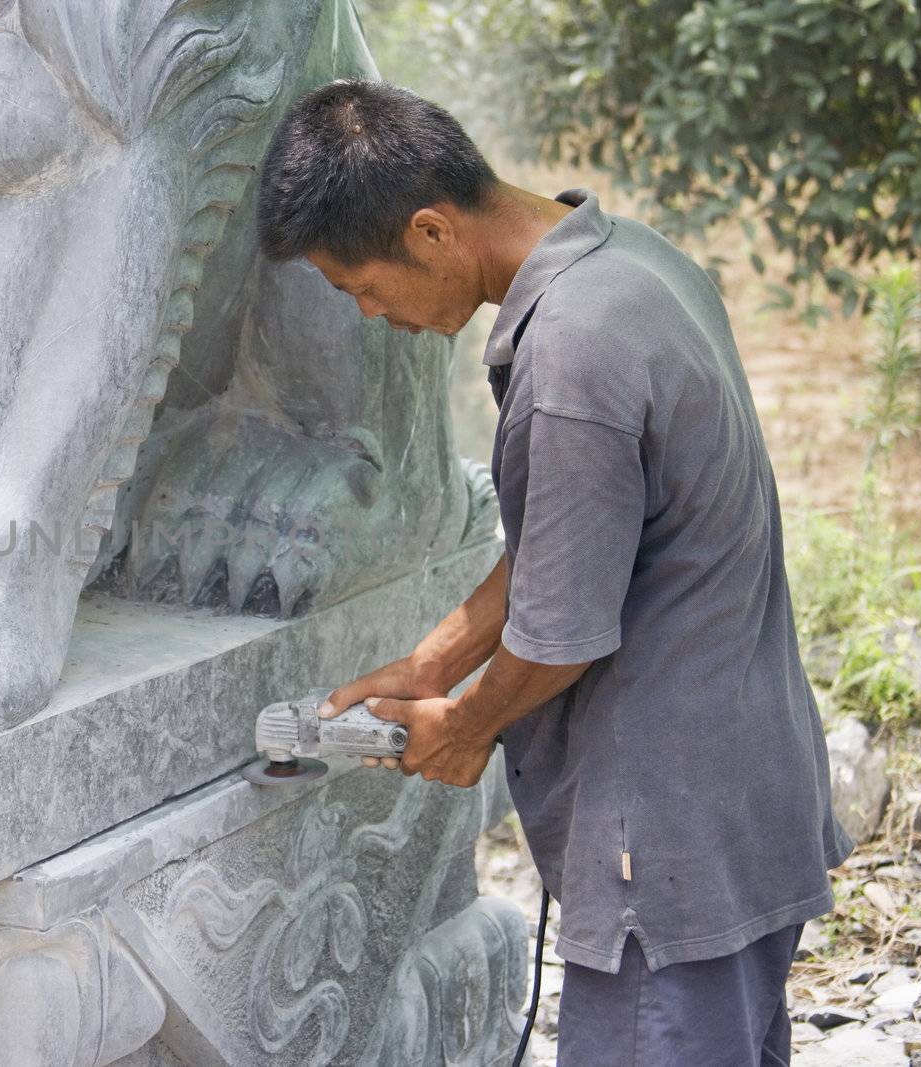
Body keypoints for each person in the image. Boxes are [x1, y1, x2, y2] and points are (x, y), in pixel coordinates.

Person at [256, 80, 853, 1066]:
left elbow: (561, 631)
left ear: (432, 232)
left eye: (357, 283)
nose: (371, 313)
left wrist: (466, 726)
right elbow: (579, 533)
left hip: (665, 843)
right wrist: (429, 664)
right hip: (744, 792)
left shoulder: (569, 359)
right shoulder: (632, 261)